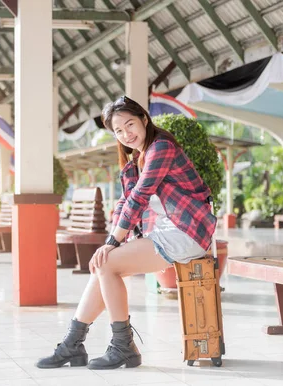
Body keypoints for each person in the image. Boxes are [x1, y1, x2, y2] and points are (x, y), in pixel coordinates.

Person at [36, 96, 217, 370]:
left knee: (106, 263)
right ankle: (73, 344)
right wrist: (111, 242)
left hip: (188, 231)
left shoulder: (161, 147)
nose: (126, 134)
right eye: (118, 131)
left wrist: (112, 242)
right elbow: (125, 202)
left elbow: (140, 197)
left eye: (130, 124)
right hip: (167, 231)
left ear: (144, 119)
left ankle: (121, 347)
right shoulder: (136, 159)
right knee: (103, 265)